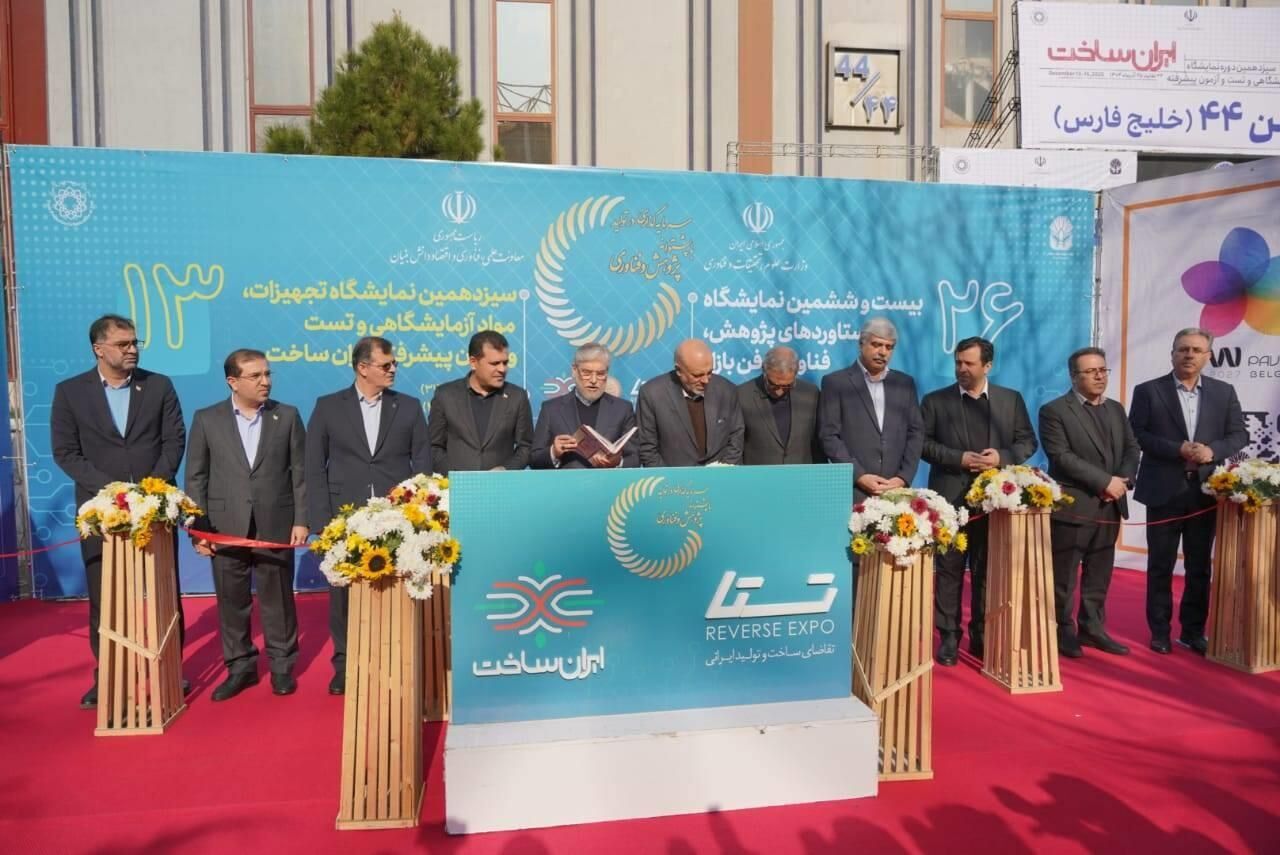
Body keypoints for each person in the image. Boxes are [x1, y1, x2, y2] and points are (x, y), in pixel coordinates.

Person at [50, 314, 187, 709]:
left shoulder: (158, 386)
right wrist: (113, 492)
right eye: (123, 344)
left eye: (134, 343)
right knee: (105, 597)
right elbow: (66, 452)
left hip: (154, 508)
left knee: (163, 592)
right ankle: (110, 676)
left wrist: (149, 490)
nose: (132, 350)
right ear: (99, 349)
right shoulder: (70, 392)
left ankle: (169, 669)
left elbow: (174, 441)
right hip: (101, 511)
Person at [305, 336, 430, 694]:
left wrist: (417, 513)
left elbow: (422, 463)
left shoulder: (408, 407)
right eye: (385, 365)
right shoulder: (328, 407)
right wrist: (321, 521)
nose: (393, 370)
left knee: (395, 588)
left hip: (396, 517)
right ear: (363, 368)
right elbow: (313, 465)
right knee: (344, 594)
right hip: (345, 515)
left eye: (394, 364)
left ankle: (395, 661)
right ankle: (346, 664)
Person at [185, 350, 308, 700]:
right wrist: (198, 528)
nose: (265, 382)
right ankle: (240, 667)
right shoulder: (207, 419)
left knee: (278, 600)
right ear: (233, 382)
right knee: (231, 601)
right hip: (224, 525)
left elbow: (300, 473)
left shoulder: (287, 416)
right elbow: (196, 477)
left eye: (267, 374)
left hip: (276, 523)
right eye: (255, 376)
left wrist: (301, 520)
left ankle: (282, 667)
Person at [1129, 328, 1247, 655]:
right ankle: (1160, 632)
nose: (1189, 355)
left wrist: (1213, 451)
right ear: (1172, 354)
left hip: (1205, 493)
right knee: (1160, 565)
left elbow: (1239, 434)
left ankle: (1193, 631)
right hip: (1163, 492)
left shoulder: (1224, 392)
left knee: (1199, 567)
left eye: (1196, 350)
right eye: (1183, 349)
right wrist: (1176, 449)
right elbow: (1136, 433)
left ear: (1208, 356)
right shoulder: (1149, 391)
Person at [921, 336, 1038, 666]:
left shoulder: (1010, 400)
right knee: (949, 571)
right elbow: (922, 444)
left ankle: (982, 635)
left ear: (987, 366)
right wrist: (958, 458)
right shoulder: (935, 401)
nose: (961, 369)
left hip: (994, 502)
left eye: (968, 363)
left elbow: (1027, 442)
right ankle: (948, 636)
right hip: (949, 502)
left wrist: (1002, 457)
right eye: (958, 362)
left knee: (987, 570)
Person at [1040, 347, 1140, 659]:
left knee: (1100, 571)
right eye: (1091, 371)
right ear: (1074, 377)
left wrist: (1121, 482)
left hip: (1111, 504)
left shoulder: (1115, 409)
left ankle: (1092, 627)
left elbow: (1131, 448)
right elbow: (1061, 456)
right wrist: (1104, 482)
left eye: (1103, 370)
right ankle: (1061, 630)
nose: (1099, 376)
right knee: (1064, 575)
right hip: (1075, 506)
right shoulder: (1055, 411)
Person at [818, 317, 923, 500]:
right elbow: (829, 436)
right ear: (861, 344)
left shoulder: (904, 384)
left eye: (889, 347)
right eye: (876, 345)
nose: (883, 352)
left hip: (895, 490)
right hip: (854, 491)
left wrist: (903, 477)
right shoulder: (836, 383)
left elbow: (916, 432)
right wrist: (859, 475)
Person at [428, 330, 534, 474]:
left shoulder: (517, 397)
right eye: (494, 363)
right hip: (455, 485)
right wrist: (456, 477)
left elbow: (526, 447)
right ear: (473, 362)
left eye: (505, 363)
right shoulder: (445, 395)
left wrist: (506, 469)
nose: (502, 369)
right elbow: (433, 447)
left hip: (500, 485)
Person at [636, 339, 744, 467]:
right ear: (679, 370)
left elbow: (736, 436)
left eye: (709, 372)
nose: (705, 380)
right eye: (697, 375)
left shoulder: (726, 390)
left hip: (720, 475)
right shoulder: (652, 394)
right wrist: (667, 478)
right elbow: (648, 449)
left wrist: (723, 469)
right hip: (674, 477)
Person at [531, 343, 638, 469]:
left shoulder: (623, 409)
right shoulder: (551, 409)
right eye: (586, 373)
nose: (593, 380)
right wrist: (554, 452)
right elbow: (534, 459)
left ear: (607, 373)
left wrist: (617, 462)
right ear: (574, 371)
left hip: (607, 481)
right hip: (567, 481)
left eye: (600, 374)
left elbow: (635, 458)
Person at [736, 346, 824, 465]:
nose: (779, 391)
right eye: (773, 384)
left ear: (796, 373)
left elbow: (818, 443)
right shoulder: (742, 395)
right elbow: (735, 445)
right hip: (758, 474)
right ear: (764, 370)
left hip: (801, 474)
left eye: (787, 386)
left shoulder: (810, 394)